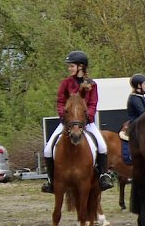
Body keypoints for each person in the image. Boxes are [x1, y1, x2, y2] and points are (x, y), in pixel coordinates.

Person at [41, 51, 114, 193]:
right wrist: (64, 116)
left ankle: (103, 176)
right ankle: (51, 181)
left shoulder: (91, 84)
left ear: (81, 66)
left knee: (102, 147)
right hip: (67, 122)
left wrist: (87, 117)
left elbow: (93, 103)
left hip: (87, 122)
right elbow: (61, 101)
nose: (69, 68)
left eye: (71, 66)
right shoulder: (66, 83)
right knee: (48, 149)